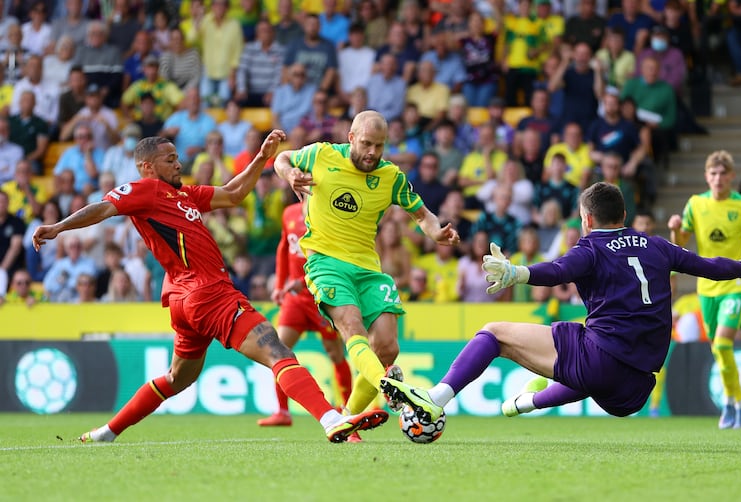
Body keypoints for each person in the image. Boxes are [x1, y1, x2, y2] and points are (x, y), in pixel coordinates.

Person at [31, 131, 388, 443]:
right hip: (208, 293)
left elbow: (233, 194)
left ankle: (107, 432)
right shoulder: (147, 190)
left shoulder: (182, 196)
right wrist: (58, 227)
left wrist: (262, 158)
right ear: (147, 166)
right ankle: (331, 418)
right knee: (277, 352)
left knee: (176, 379)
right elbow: (103, 208)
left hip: (184, 303)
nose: (178, 164)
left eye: (177, 158)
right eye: (169, 160)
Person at [380, 181, 741, 428]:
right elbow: (709, 267)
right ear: (624, 215)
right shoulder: (659, 246)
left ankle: (435, 399)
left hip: (603, 360)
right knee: (585, 355)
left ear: (586, 219)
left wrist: (517, 273)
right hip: (638, 387)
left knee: (493, 333)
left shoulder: (591, 247)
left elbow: (557, 270)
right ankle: (527, 402)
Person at [272, 110, 460, 428]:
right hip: (325, 262)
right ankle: (392, 387)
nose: (372, 152)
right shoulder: (322, 154)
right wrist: (289, 174)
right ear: (351, 138)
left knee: (387, 346)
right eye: (367, 144)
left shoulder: (390, 177)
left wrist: (436, 232)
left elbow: (422, 214)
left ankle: (348, 418)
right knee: (351, 325)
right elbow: (282, 158)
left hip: (368, 268)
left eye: (380, 146)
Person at [667, 150, 741, 429]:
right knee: (718, 347)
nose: (717, 178)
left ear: (731, 176)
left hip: (737, 283)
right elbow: (681, 243)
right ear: (706, 176)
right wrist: (675, 229)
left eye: (722, 173)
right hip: (707, 285)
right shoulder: (695, 205)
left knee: (724, 343)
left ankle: (733, 404)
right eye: (712, 174)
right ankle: (737, 401)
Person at [257, 201, 354, 430]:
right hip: (295, 300)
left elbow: (333, 256)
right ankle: (282, 412)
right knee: (277, 350)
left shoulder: (327, 213)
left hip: (322, 295)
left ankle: (348, 408)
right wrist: (279, 285)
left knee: (335, 354)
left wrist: (301, 282)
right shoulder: (289, 212)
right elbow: (283, 247)